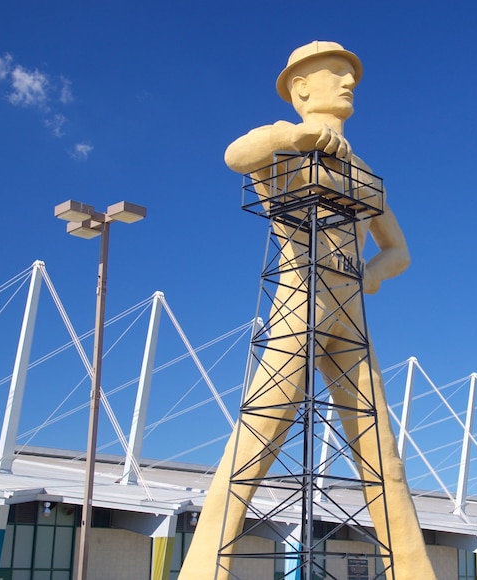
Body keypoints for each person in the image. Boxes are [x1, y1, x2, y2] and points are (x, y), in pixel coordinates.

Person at [180, 41, 435, 579]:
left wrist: (368, 275)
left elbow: (399, 252)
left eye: (351, 75)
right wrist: (291, 136)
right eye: (335, 73)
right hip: (300, 308)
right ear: (300, 88)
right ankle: (203, 569)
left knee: (383, 456)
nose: (348, 82)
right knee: (258, 438)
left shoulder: (364, 173)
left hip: (350, 316)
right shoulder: (284, 150)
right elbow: (236, 155)